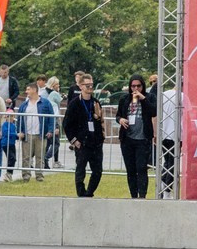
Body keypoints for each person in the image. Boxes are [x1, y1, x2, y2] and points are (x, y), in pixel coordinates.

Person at [64, 69, 106, 198]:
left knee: (97, 171)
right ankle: (81, 193)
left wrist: (101, 137)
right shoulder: (74, 104)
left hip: (95, 142)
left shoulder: (96, 103)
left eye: (91, 85)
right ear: (81, 86)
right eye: (87, 86)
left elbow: (101, 121)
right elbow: (67, 124)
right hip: (82, 142)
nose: (90, 88)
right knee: (80, 169)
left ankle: (89, 192)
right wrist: (74, 140)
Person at [115, 73, 156, 200]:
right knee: (131, 169)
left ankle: (142, 195)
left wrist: (143, 98)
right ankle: (133, 195)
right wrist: (120, 120)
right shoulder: (125, 99)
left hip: (143, 139)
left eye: (138, 86)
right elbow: (118, 115)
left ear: (143, 86)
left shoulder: (149, 97)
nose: (135, 89)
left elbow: (154, 111)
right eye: (133, 86)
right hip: (128, 139)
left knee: (141, 168)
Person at [156, 80, 182, 198]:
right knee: (173, 163)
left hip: (164, 133)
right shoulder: (182, 96)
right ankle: (166, 190)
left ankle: (162, 186)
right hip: (175, 134)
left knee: (167, 162)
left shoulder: (164, 94)